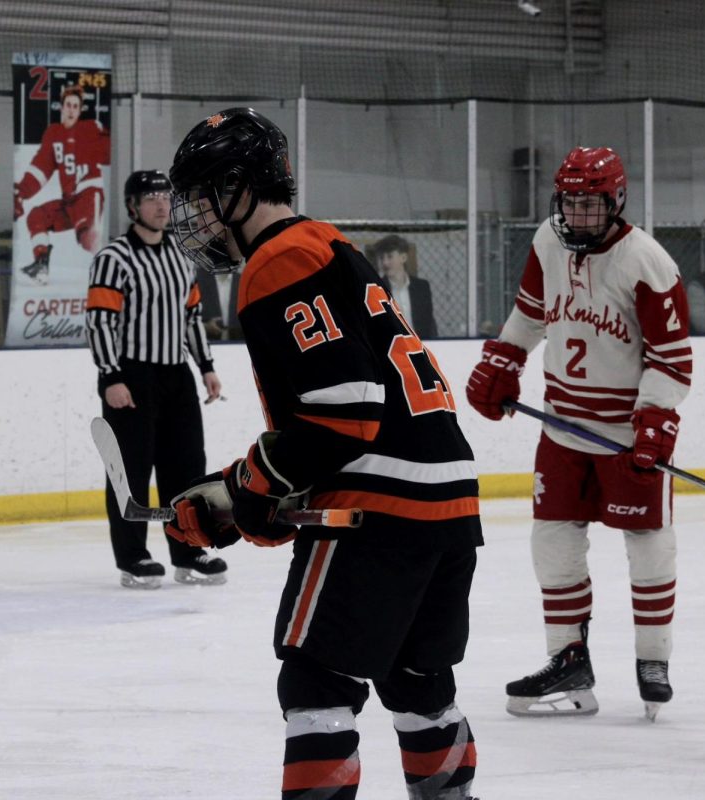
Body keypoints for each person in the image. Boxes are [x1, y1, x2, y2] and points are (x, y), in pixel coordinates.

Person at [166, 108, 481, 799]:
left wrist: (239, 492)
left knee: (316, 681)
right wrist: (249, 493)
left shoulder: (277, 261)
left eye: (205, 198)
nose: (201, 220)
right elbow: (345, 411)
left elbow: (344, 414)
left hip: (378, 505)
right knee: (419, 685)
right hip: (448, 499)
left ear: (239, 188)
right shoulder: (329, 244)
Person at [465, 146, 692, 721]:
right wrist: (506, 358)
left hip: (623, 432)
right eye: (571, 203)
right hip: (563, 428)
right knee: (552, 542)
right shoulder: (547, 239)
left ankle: (652, 659)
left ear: (616, 201)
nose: (580, 216)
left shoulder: (648, 262)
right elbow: (532, 311)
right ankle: (568, 659)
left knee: (647, 543)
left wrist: (656, 418)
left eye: (592, 205)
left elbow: (671, 359)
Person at [84, 170, 226, 589]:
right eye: (151, 198)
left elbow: (192, 317)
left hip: (175, 375)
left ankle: (188, 552)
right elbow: (99, 322)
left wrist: (206, 367)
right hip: (130, 375)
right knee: (130, 472)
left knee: (186, 467)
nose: (162, 205)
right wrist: (110, 375)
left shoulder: (182, 255)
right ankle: (133, 557)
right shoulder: (113, 258)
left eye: (166, 197)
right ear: (133, 207)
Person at [15, 84, 111, 286]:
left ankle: (109, 275)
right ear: (62, 106)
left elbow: (110, 152)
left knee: (88, 238)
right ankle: (41, 265)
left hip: (88, 193)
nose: (71, 109)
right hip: (68, 202)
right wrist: (20, 193)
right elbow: (40, 168)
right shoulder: (53, 134)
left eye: (75, 106)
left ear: (80, 110)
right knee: (37, 216)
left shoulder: (90, 128)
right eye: (68, 105)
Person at [372, 234, 439, 338]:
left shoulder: (422, 287)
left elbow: (428, 322)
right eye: (382, 258)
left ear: (403, 257)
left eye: (390, 256)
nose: (385, 262)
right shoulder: (376, 289)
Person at [196, 267, 242, 341]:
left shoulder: (242, 281)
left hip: (238, 344)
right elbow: (186, 316)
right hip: (206, 342)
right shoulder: (198, 279)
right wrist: (204, 326)